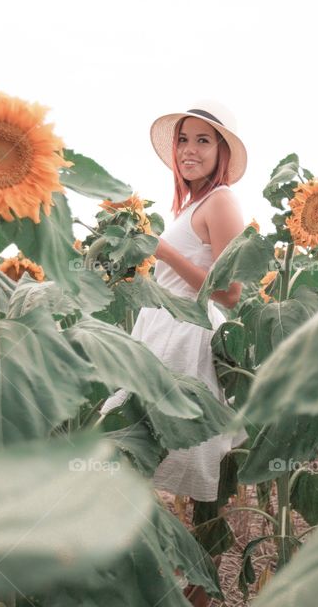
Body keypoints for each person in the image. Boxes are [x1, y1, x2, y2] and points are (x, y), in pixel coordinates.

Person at [99, 100, 248, 501]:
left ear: (222, 152)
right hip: (162, 331)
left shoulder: (221, 201)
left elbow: (230, 292)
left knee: (153, 451)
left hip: (186, 339)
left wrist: (165, 253)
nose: (189, 150)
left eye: (203, 140)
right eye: (183, 139)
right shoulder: (189, 206)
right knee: (132, 444)